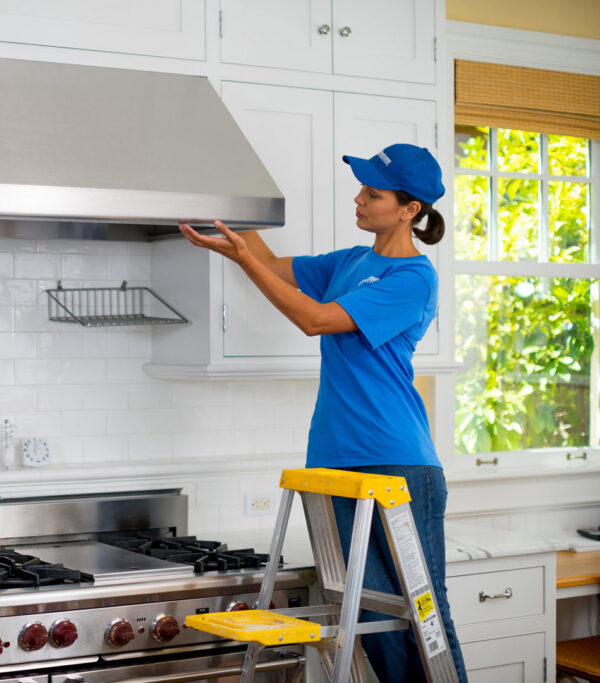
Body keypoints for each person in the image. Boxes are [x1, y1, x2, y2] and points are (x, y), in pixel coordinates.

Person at [179, 143, 468, 683]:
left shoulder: (412, 279)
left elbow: (314, 320)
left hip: (398, 463)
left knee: (425, 611)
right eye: (361, 188)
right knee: (368, 610)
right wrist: (229, 205)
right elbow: (269, 265)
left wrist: (242, 258)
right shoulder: (352, 262)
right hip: (334, 459)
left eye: (373, 193)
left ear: (409, 209)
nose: (358, 199)